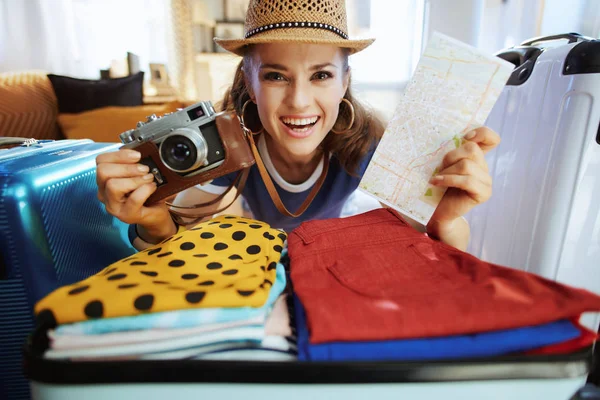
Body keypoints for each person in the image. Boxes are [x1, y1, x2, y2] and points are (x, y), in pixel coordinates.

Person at [96, 0, 499, 252]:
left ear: (345, 81)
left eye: (321, 75)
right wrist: (152, 220)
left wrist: (443, 218)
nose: (299, 101)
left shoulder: (373, 150)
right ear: (249, 83)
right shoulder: (222, 148)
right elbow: (192, 250)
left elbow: (446, 255)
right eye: (275, 76)